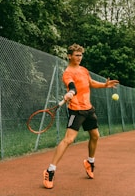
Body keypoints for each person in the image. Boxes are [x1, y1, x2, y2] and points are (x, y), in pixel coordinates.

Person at [43, 43, 119, 189]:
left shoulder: (83, 70)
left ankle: (90, 162)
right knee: (68, 140)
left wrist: (104, 85)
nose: (79, 58)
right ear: (69, 56)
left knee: (95, 136)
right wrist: (71, 92)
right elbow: (71, 86)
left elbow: (90, 83)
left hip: (88, 109)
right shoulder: (67, 73)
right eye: (76, 55)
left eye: (81, 55)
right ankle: (50, 170)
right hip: (76, 110)